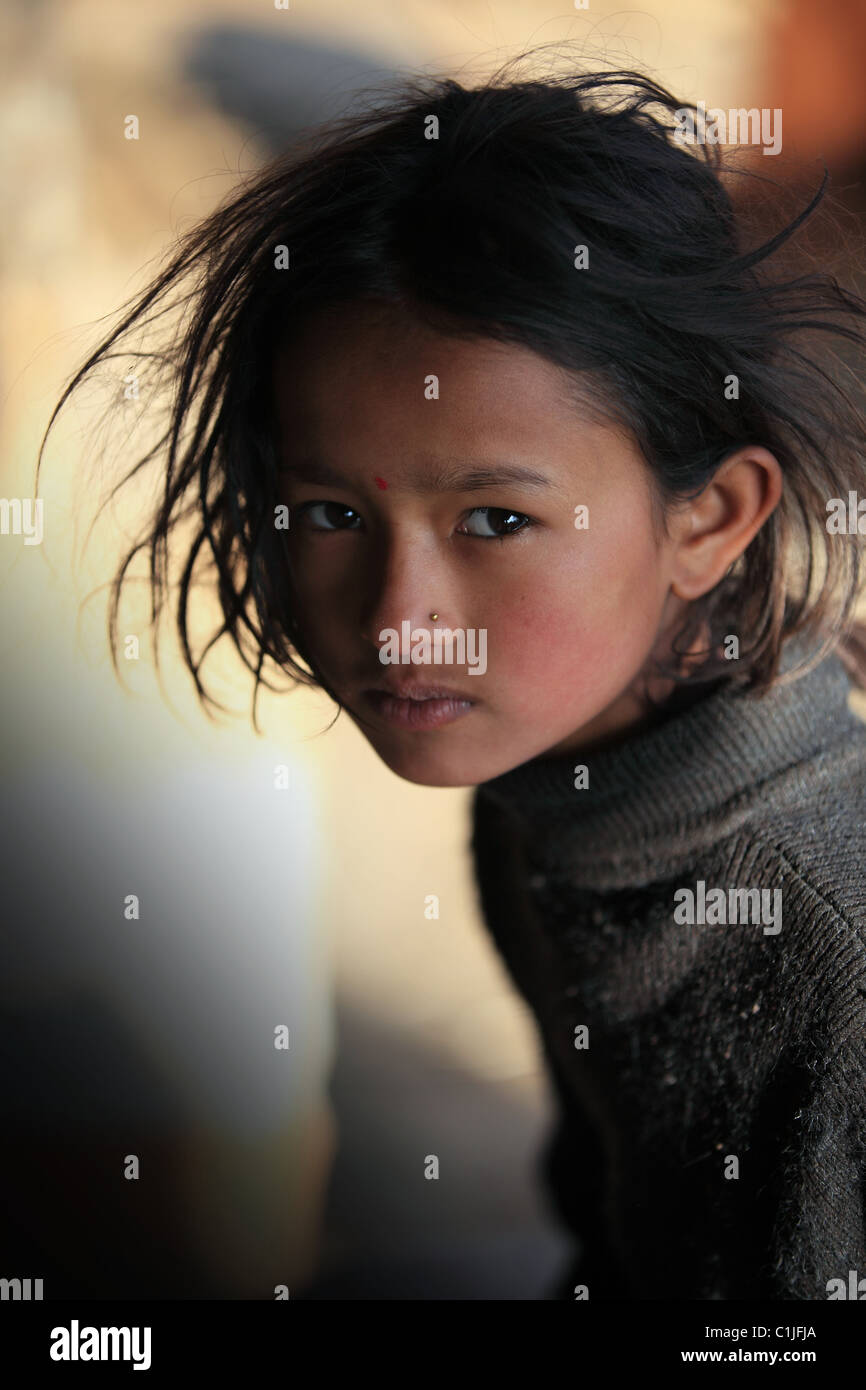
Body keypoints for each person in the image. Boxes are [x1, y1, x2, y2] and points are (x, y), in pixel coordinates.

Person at [38, 52, 866, 1300]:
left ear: (709, 520)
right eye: (326, 515)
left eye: (492, 522)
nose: (398, 620)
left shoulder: (825, 959)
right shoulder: (556, 785)